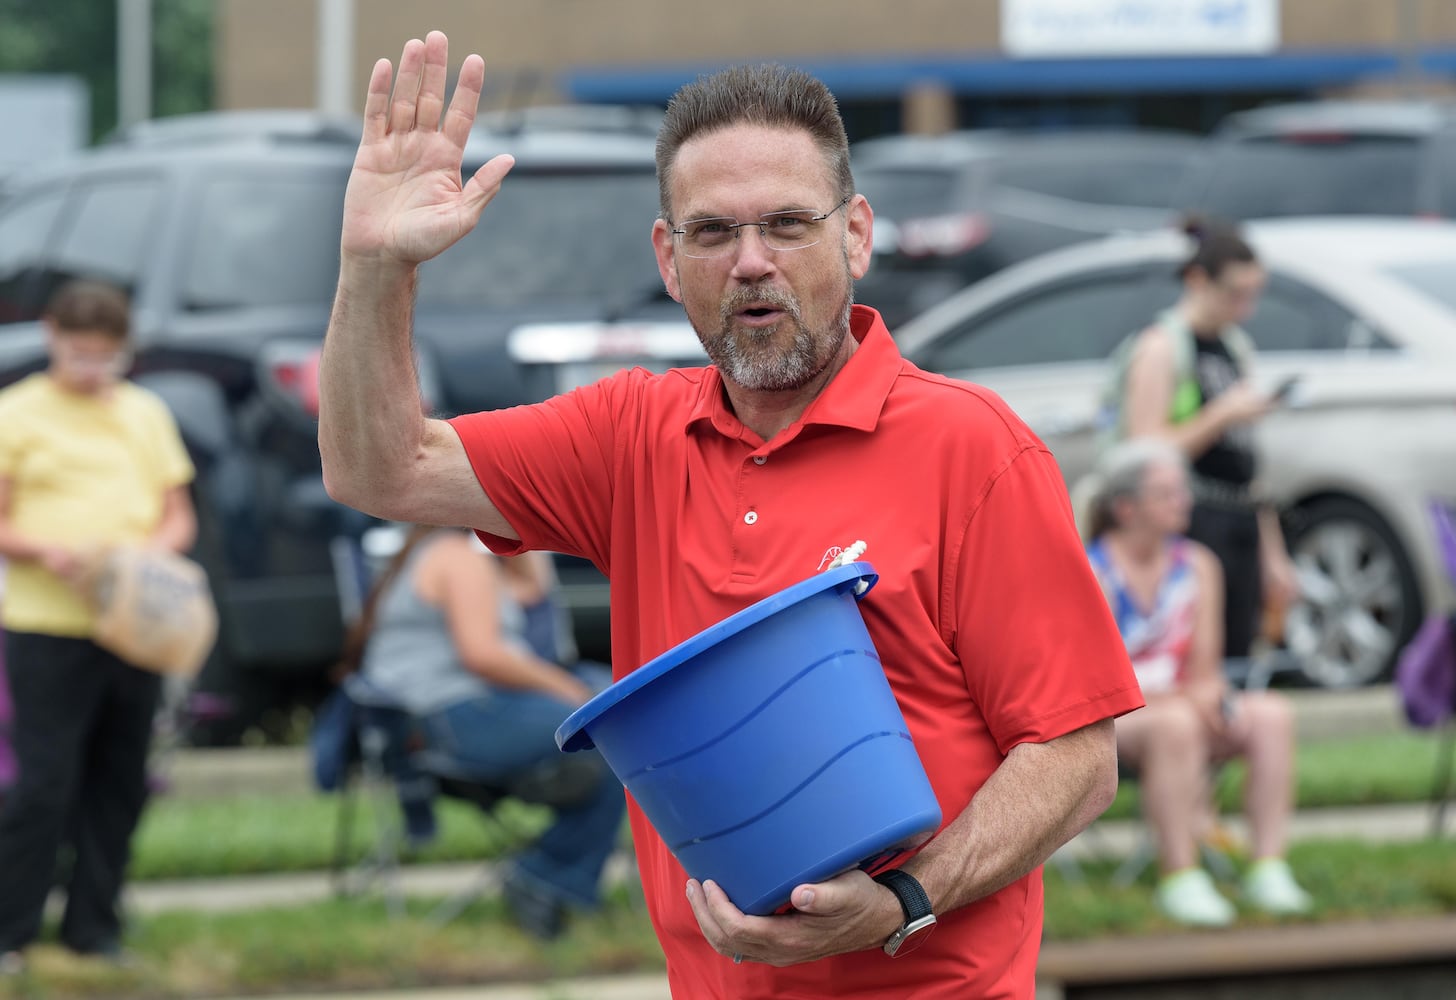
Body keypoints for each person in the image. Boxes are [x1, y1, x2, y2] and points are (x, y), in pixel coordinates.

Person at [317, 31, 1143, 999]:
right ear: (669, 259)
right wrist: (375, 265)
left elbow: (1077, 755)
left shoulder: (973, 449)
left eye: (787, 224)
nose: (751, 261)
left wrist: (905, 898)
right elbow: (384, 469)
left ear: (857, 234)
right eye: (712, 233)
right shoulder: (632, 435)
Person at [0, 280, 197, 972]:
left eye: (106, 358)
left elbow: (178, 513)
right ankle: (10, 931)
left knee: (120, 778)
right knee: (44, 781)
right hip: (47, 623)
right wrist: (45, 551)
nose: (93, 371)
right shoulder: (17, 414)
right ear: (52, 336)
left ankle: (95, 925)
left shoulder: (144, 413)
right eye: (80, 355)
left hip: (132, 623)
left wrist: (146, 556)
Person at [344, 523, 625, 938]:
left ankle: (553, 865)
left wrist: (526, 530)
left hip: (424, 722)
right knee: (612, 737)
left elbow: (532, 590)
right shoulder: (455, 558)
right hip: (451, 720)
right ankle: (543, 876)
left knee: (609, 723)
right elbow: (484, 656)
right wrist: (572, 692)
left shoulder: (436, 553)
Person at [1084, 438, 1312, 927]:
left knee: (1272, 714)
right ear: (1126, 507)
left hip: (1182, 701)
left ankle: (1268, 866)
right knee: (1176, 725)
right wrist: (1186, 700)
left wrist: (1210, 696)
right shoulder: (1093, 570)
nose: (1182, 502)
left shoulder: (1199, 565)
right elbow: (1094, 676)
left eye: (1181, 491)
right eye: (1166, 493)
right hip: (1118, 715)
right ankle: (1180, 875)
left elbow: (1204, 668)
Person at [1099, 215, 1299, 662]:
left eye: (1253, 295)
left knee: (1238, 659)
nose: (1244, 308)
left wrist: (1273, 554)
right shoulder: (1163, 347)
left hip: (1238, 520)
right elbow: (1142, 449)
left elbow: (1246, 467)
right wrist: (1220, 415)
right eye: (1234, 293)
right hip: (1191, 520)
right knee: (1198, 663)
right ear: (1196, 279)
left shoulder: (1234, 346)